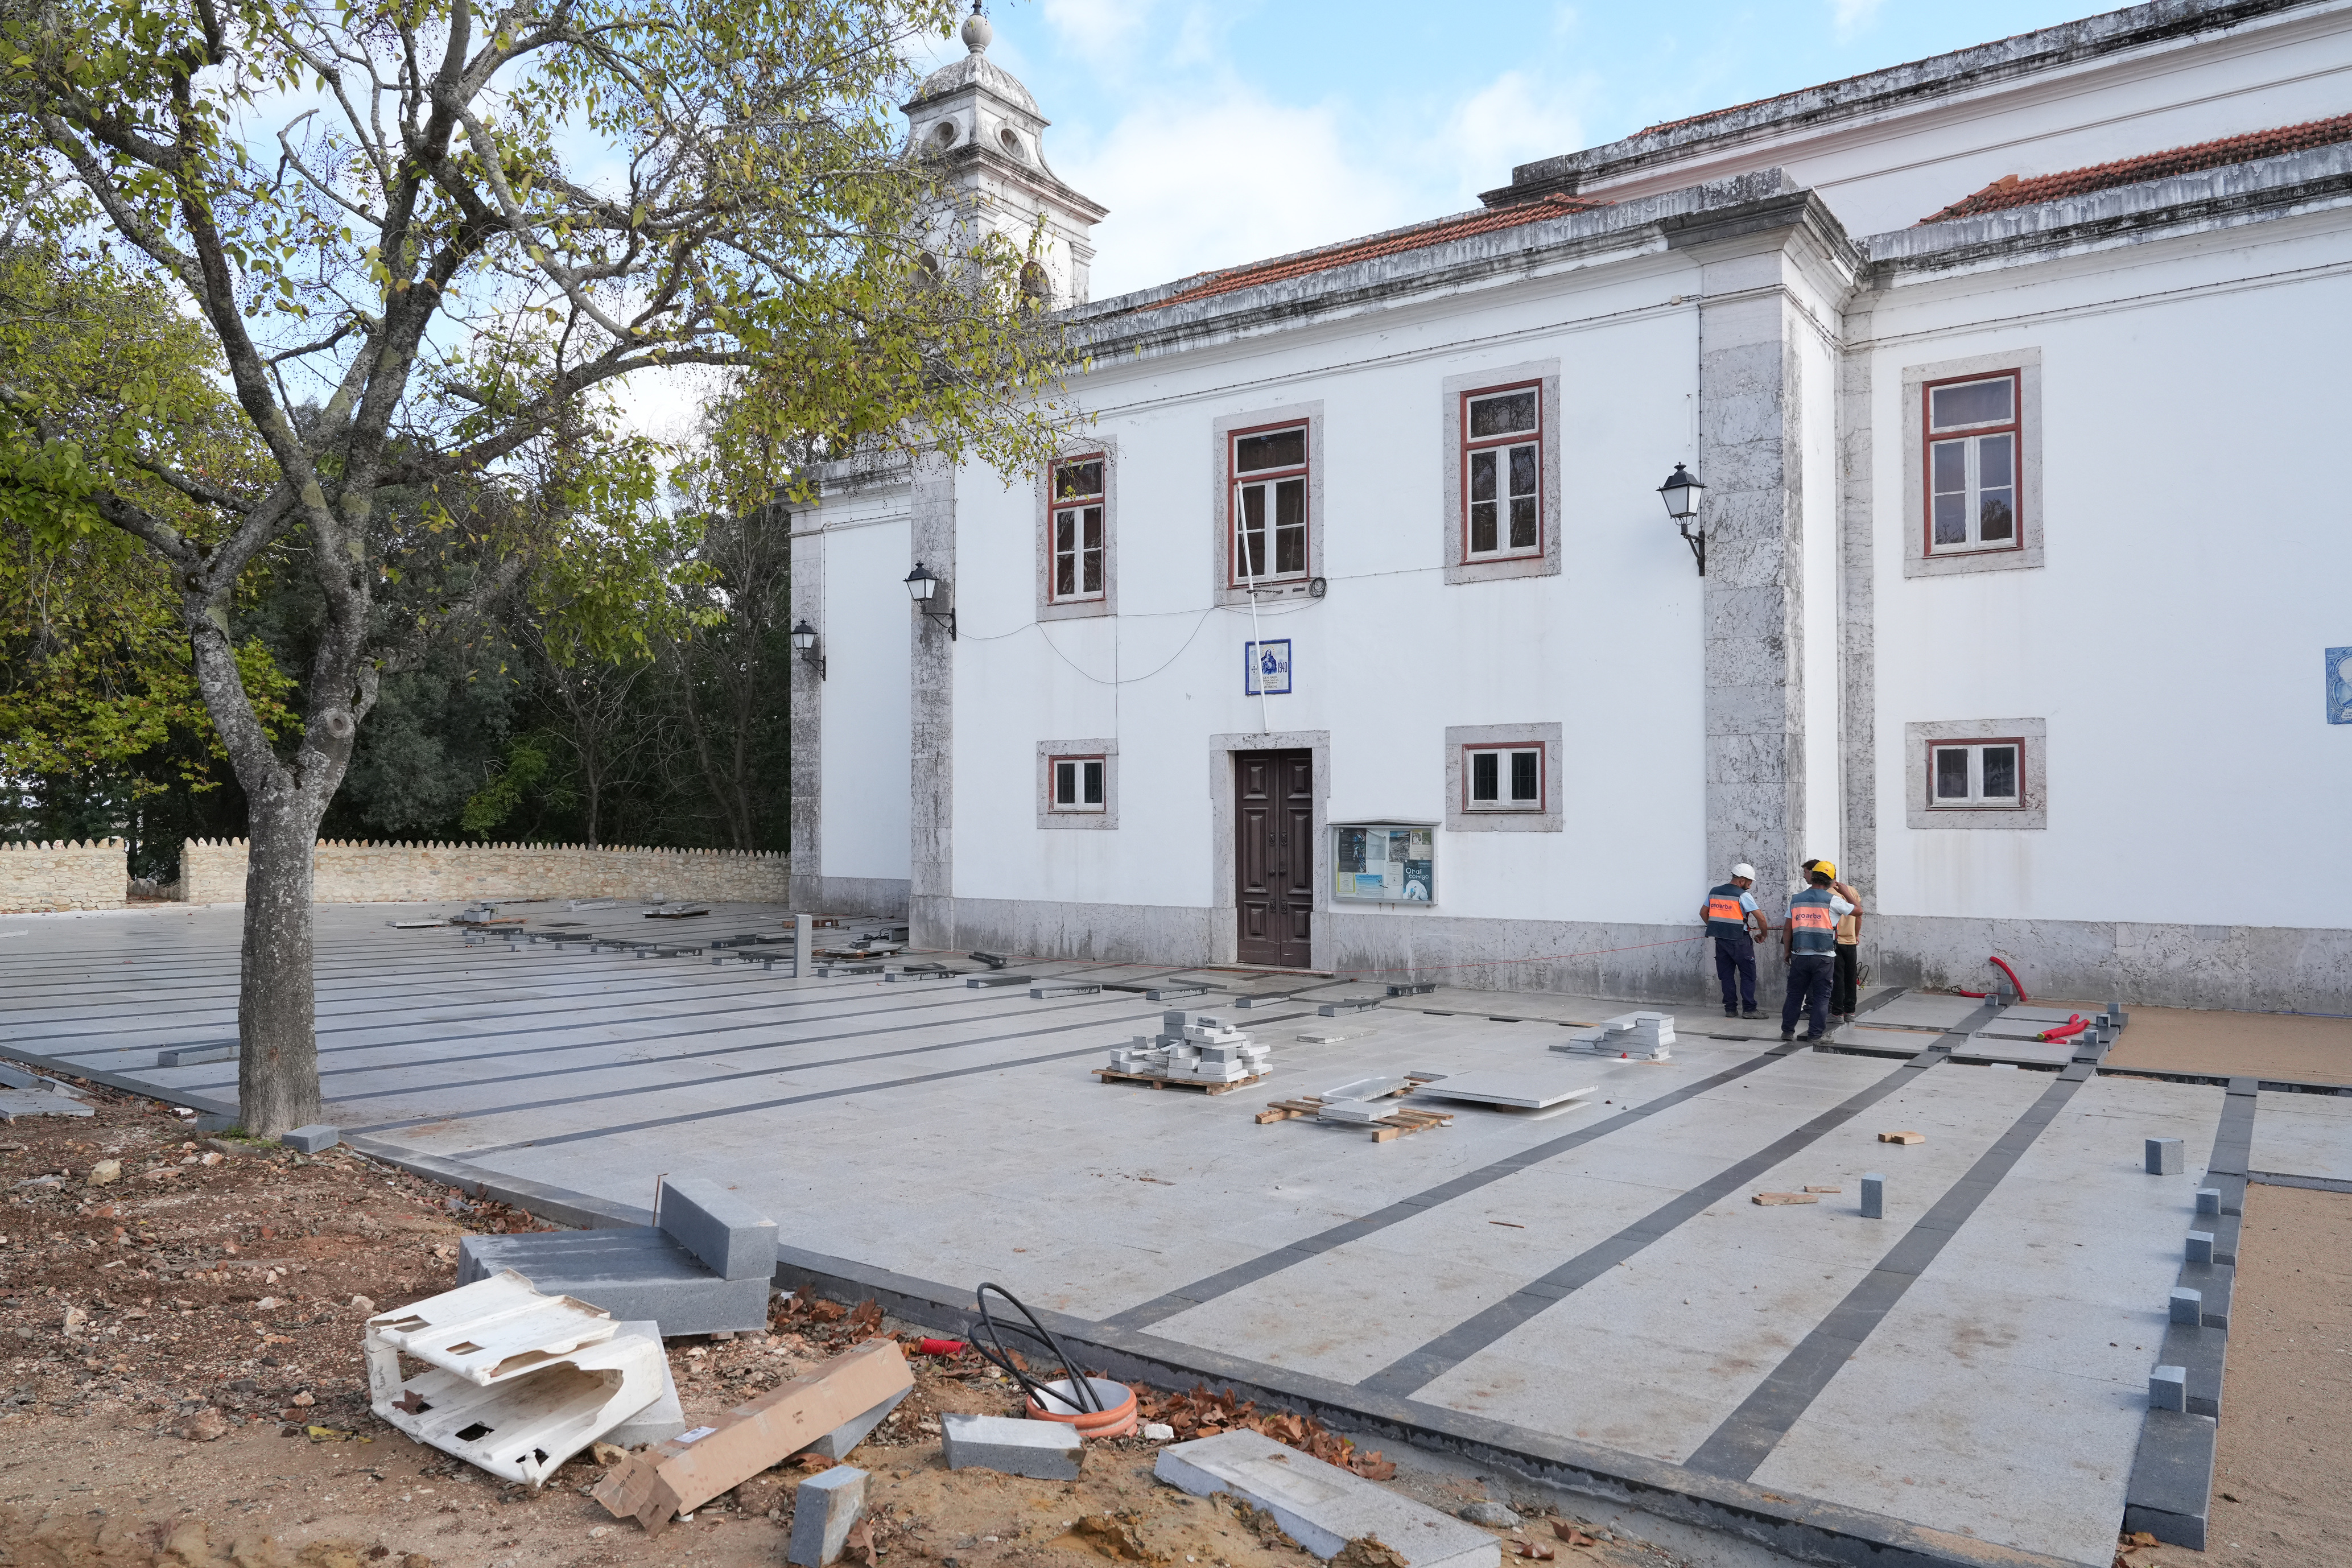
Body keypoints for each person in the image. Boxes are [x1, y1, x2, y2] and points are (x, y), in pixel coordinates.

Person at [1782, 860, 1856, 1043]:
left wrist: (1787, 952)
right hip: (1824, 957)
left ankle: (1787, 1032)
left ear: (1813, 876)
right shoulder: (1833, 900)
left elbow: (1788, 929)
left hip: (1800, 955)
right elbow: (1859, 911)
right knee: (1822, 997)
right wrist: (1845, 892)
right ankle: (1815, 1035)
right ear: (1830, 881)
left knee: (1794, 995)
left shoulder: (1797, 899)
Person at [1801, 859, 1866, 1023]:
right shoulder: (1850, 890)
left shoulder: (1826, 895)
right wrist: (1856, 935)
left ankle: (1837, 1013)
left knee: (1837, 979)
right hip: (1850, 941)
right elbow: (1859, 915)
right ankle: (1850, 1011)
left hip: (1834, 942)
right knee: (1850, 977)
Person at [1701, 863, 1768, 1020]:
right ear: (1742, 880)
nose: (1750, 886)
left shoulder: (1714, 892)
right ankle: (1750, 1010)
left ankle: (1730, 1009)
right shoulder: (1743, 895)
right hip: (1740, 941)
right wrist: (1764, 935)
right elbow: (1761, 919)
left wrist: (1717, 927)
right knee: (1748, 975)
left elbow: (1703, 913)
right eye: (1749, 882)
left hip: (1721, 941)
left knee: (1726, 976)